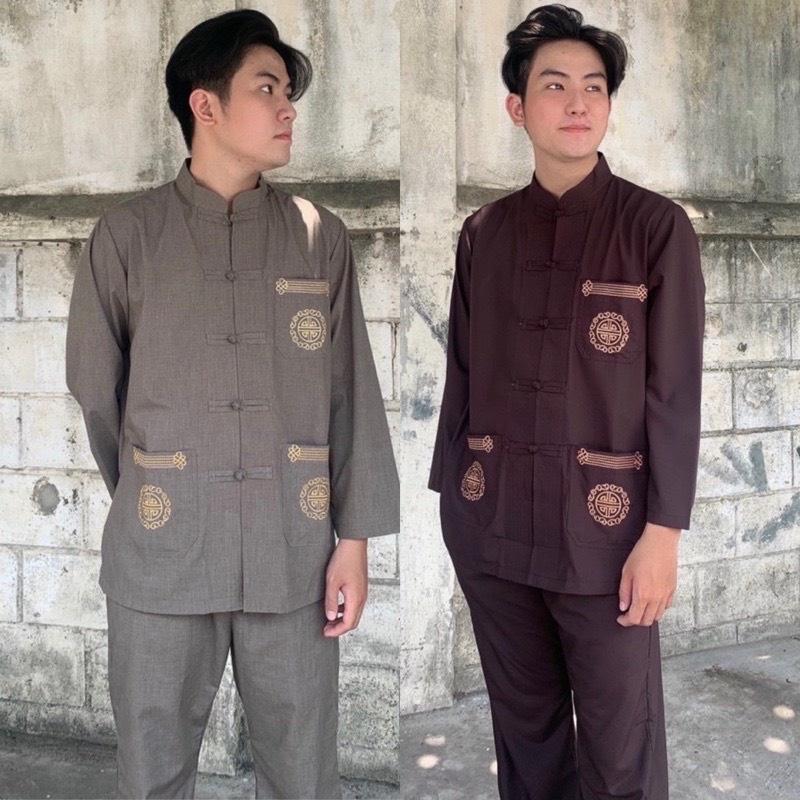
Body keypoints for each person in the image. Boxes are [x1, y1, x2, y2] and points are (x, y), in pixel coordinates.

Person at [65, 9, 398, 799]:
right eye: (267, 89)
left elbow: (350, 391)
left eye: (288, 92)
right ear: (204, 106)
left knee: (303, 771)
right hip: (161, 560)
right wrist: (158, 486)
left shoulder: (319, 236)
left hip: (293, 551)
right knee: (152, 770)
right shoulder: (127, 237)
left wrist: (352, 541)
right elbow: (97, 392)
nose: (288, 109)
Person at [428, 5, 704, 799]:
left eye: (594, 87)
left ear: (610, 105)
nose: (577, 102)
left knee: (621, 754)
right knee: (528, 743)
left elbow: (675, 393)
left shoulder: (655, 229)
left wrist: (663, 535)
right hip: (493, 530)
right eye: (555, 85)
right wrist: (455, 510)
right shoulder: (484, 232)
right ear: (518, 107)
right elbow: (462, 376)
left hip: (607, 538)